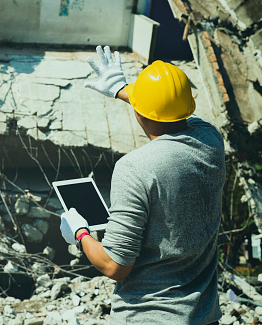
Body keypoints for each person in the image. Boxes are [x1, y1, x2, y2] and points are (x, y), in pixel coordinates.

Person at [60, 46, 225, 325]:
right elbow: (181, 117)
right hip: (204, 316)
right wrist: (125, 90)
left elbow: (115, 265)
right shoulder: (211, 141)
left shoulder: (136, 167)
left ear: (139, 114)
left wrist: (79, 233)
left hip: (148, 316)